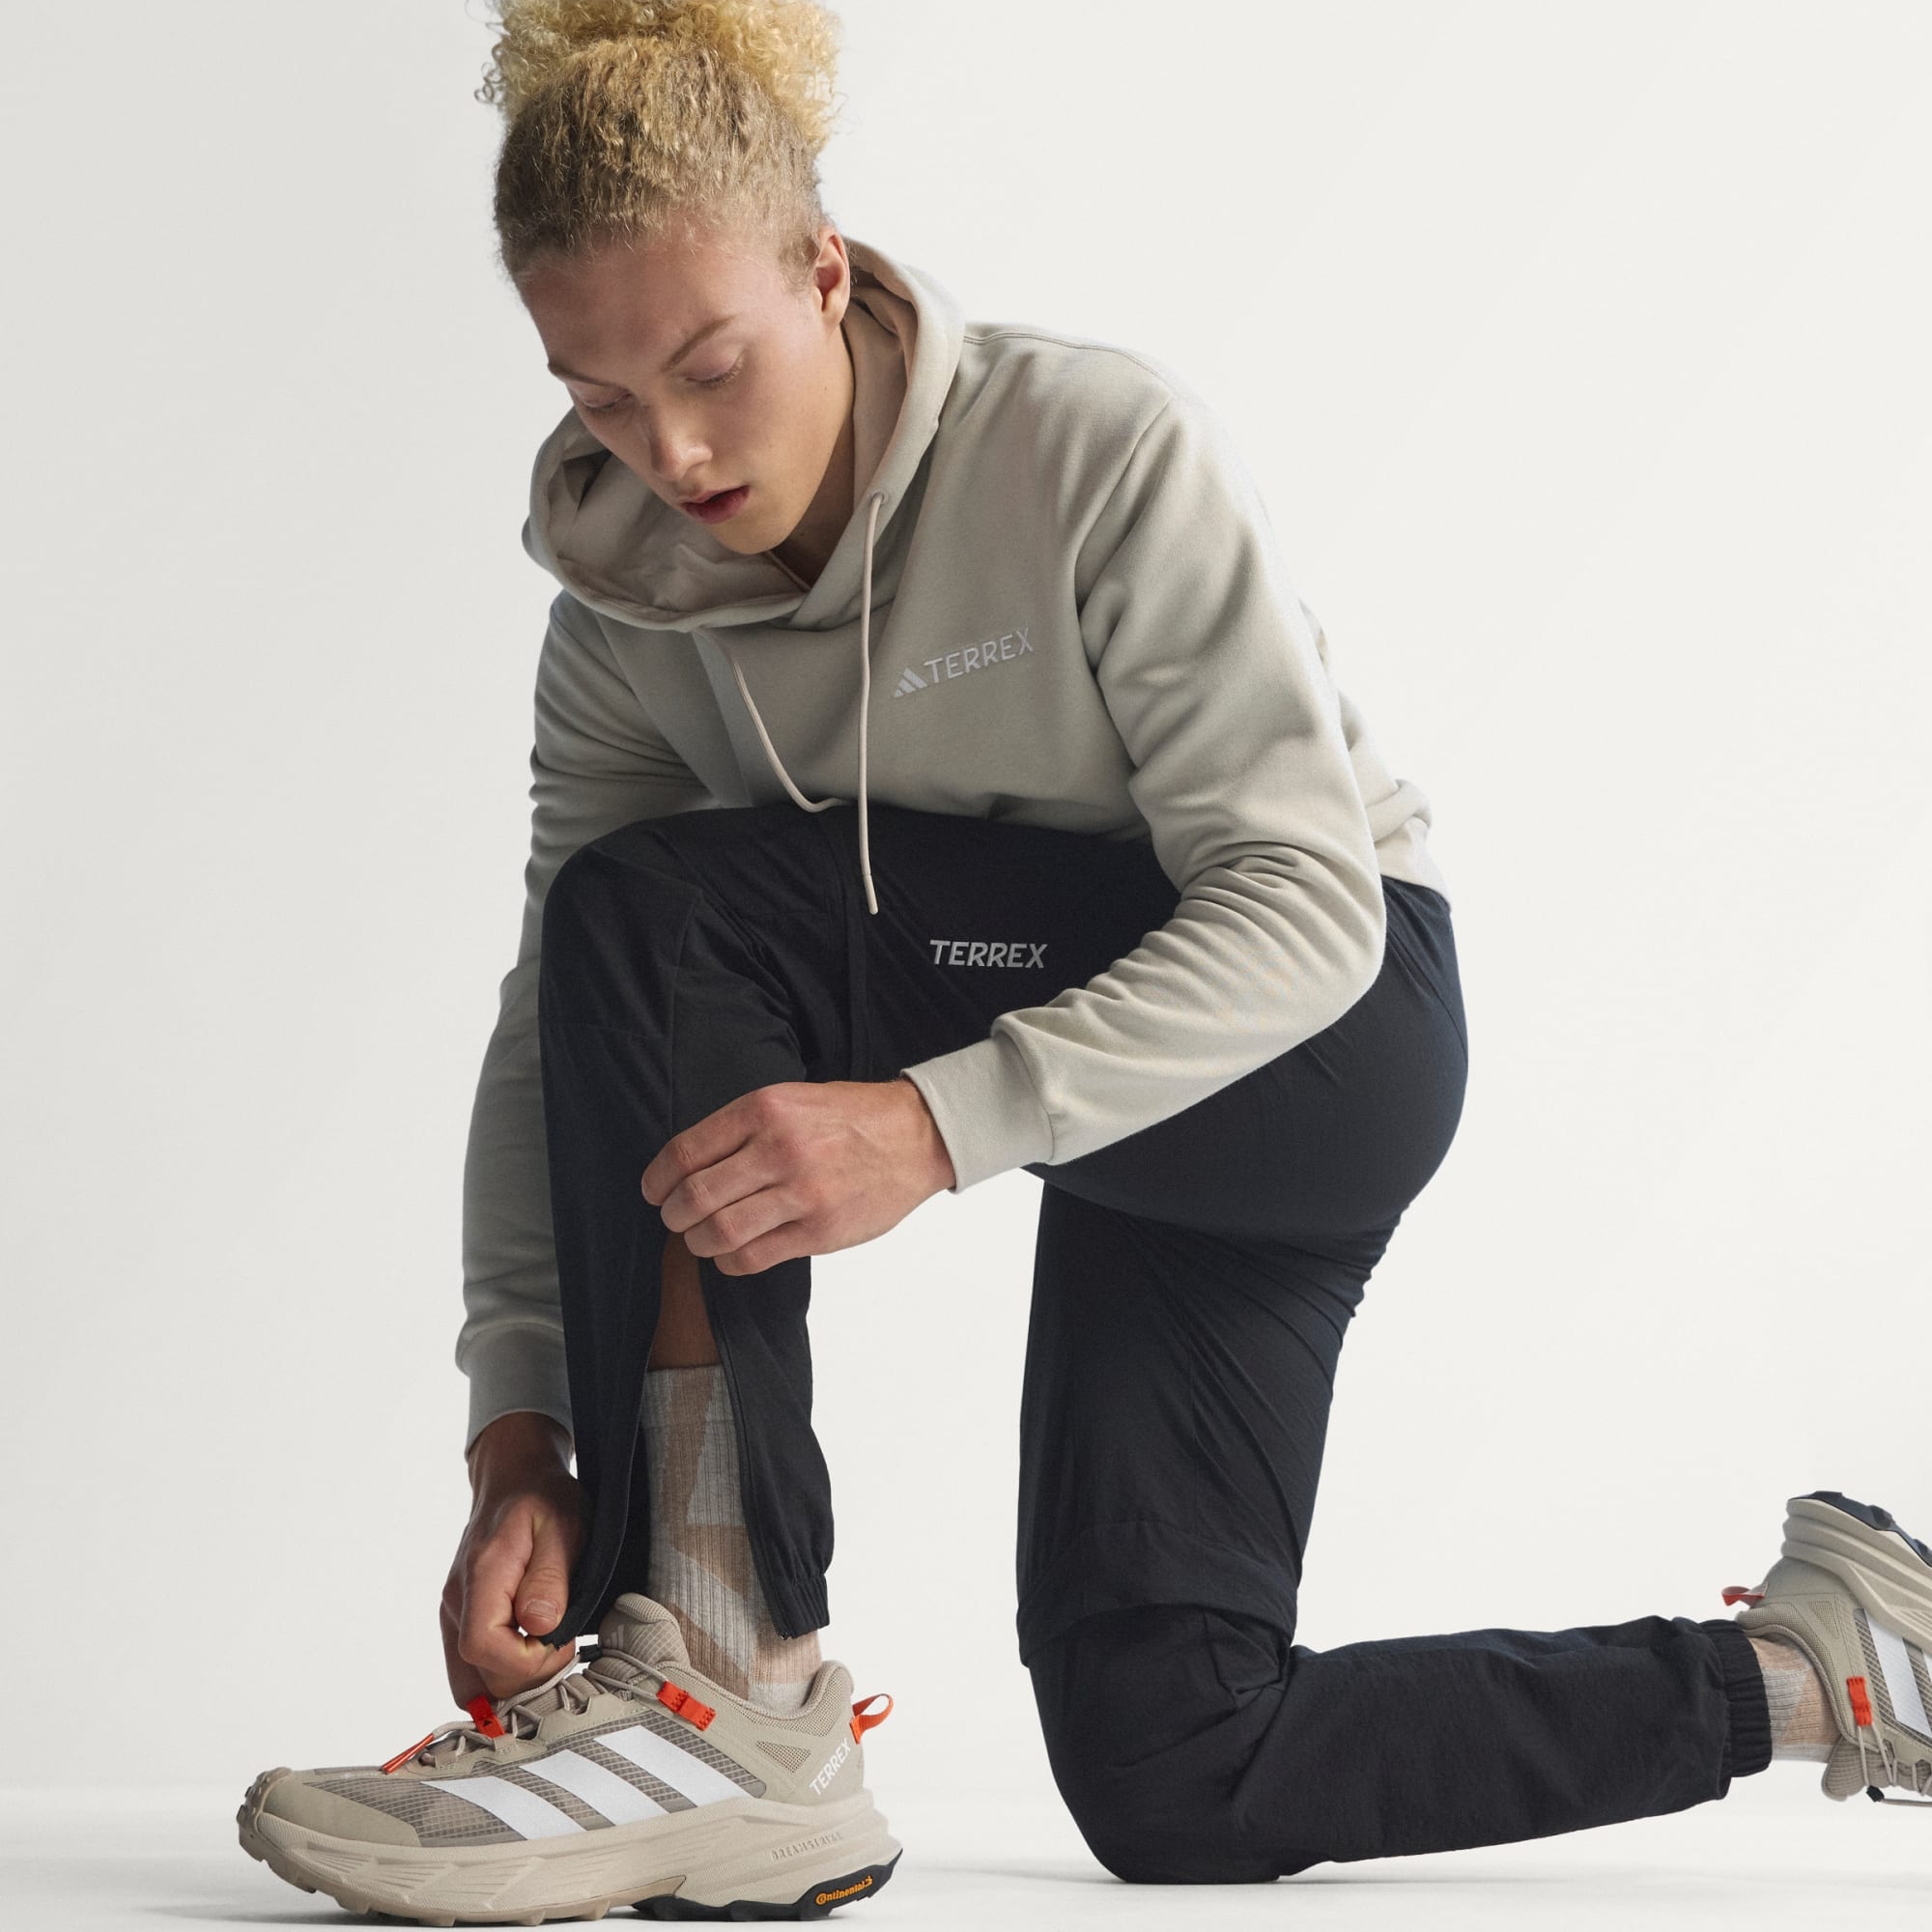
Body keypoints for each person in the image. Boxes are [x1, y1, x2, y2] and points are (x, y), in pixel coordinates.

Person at [236, 0, 1932, 1921]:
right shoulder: (629, 612)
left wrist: (931, 1125)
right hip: (1114, 1102)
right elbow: (563, 1036)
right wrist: (521, 1428)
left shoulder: (1083, 447)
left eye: (712, 366)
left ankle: (721, 1675)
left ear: (824, 271)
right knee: (1178, 1764)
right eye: (602, 398)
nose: (673, 449)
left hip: (1323, 1034)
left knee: (662, 908)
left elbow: (1303, 900)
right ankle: (1821, 1671)